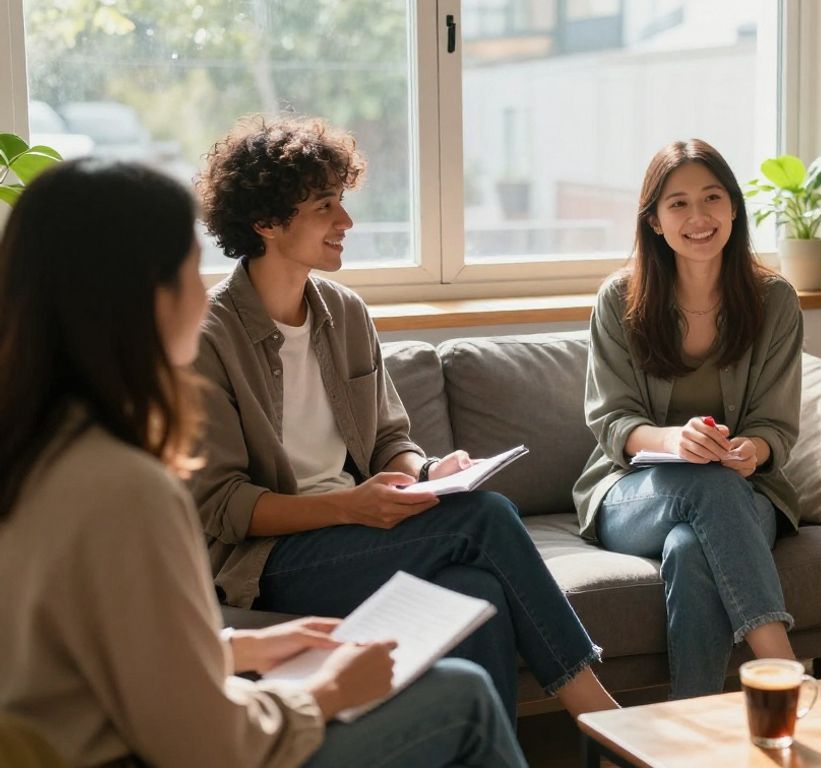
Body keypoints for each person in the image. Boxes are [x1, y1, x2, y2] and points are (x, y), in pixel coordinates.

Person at [0, 158, 528, 768]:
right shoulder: (127, 489)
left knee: (473, 589)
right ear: (141, 296)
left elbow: (89, 659)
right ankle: (600, 720)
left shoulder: (37, 454)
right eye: (187, 268)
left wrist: (234, 651)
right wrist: (326, 693)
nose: (204, 291)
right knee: (460, 694)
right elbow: (206, 743)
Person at [190, 115, 616, 720]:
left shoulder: (345, 312)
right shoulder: (208, 338)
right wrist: (348, 505)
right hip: (270, 561)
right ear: (265, 222)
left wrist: (424, 470)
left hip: (357, 530)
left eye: (342, 202)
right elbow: (226, 506)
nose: (347, 222)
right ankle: (601, 717)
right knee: (486, 518)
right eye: (324, 206)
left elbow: (392, 438)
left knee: (481, 592)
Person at [572, 139, 803, 698]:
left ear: (733, 208)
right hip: (633, 494)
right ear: (653, 220)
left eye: (712, 198)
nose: (698, 217)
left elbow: (777, 426)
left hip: (744, 493)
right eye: (677, 204)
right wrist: (676, 441)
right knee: (708, 486)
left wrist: (752, 451)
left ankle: (688, 729)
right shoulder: (619, 299)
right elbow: (612, 420)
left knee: (689, 548)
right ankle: (785, 674)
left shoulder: (775, 301)